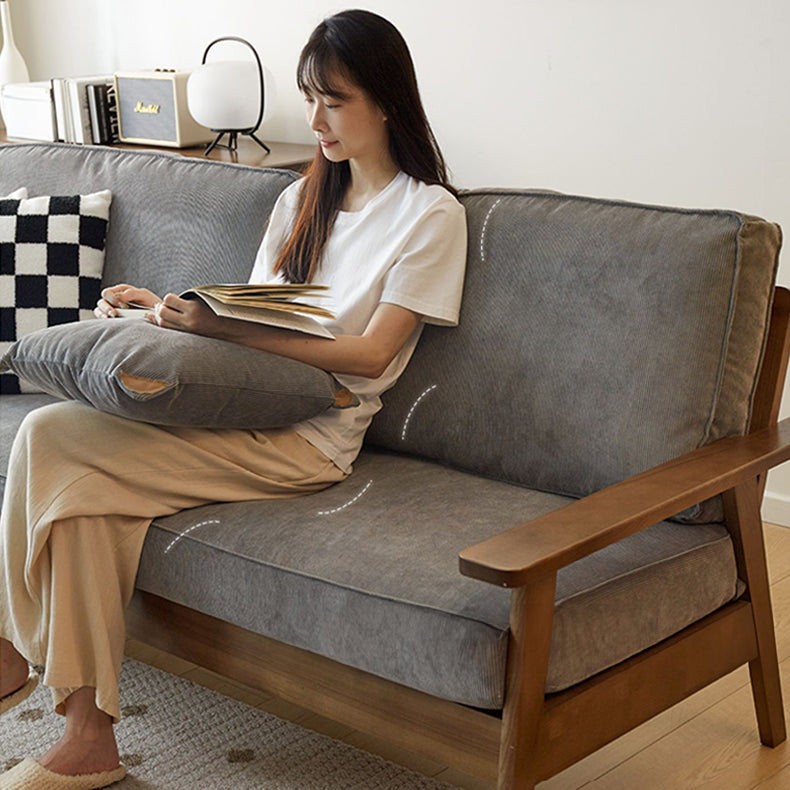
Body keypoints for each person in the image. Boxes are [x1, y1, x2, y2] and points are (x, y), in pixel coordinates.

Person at [0, 8, 466, 789]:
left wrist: (227, 331)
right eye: (308, 97)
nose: (313, 119)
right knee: (81, 488)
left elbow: (373, 351)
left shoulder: (430, 215)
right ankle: (89, 739)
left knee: (49, 437)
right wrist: (164, 313)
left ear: (386, 101)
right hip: (239, 409)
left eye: (333, 100)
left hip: (311, 438)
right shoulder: (299, 201)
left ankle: (18, 658)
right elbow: (248, 320)